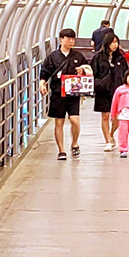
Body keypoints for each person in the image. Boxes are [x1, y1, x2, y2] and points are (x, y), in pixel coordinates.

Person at [39, 28, 89, 160]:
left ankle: (75, 143)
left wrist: (83, 71)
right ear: (61, 39)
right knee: (59, 122)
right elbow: (45, 72)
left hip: (73, 93)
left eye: (73, 39)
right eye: (68, 39)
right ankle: (61, 150)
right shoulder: (53, 57)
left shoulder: (78, 56)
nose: (71, 41)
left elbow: (88, 70)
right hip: (58, 93)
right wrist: (42, 83)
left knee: (75, 120)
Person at [90, 33, 129, 150]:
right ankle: (107, 140)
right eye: (113, 42)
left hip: (117, 91)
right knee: (105, 116)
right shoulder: (98, 58)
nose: (115, 45)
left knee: (117, 116)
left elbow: (126, 73)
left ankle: (111, 134)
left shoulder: (120, 58)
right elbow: (92, 72)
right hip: (103, 90)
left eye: (116, 42)